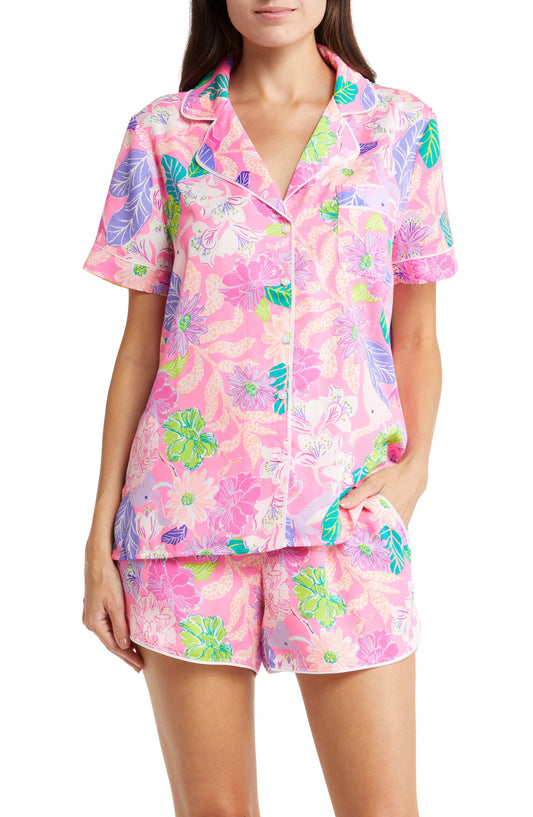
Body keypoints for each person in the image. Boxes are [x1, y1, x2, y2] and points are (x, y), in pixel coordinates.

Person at [81, 1, 458, 815]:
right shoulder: (163, 134)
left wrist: (414, 472)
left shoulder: (399, 129)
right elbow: (140, 348)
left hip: (344, 517)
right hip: (184, 524)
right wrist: (99, 536)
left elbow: (416, 335)